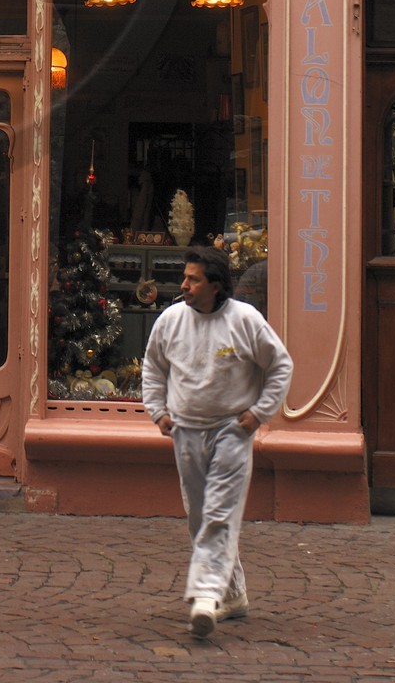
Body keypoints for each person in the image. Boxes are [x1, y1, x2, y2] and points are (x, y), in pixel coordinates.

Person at [141, 244, 292, 639]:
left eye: (193, 279)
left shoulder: (245, 320)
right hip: (185, 430)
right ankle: (235, 594)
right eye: (185, 277)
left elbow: (280, 365)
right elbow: (154, 367)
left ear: (216, 285)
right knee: (199, 515)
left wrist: (259, 413)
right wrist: (157, 410)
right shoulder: (171, 320)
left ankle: (206, 598)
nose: (184, 285)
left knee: (220, 512)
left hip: (231, 430)